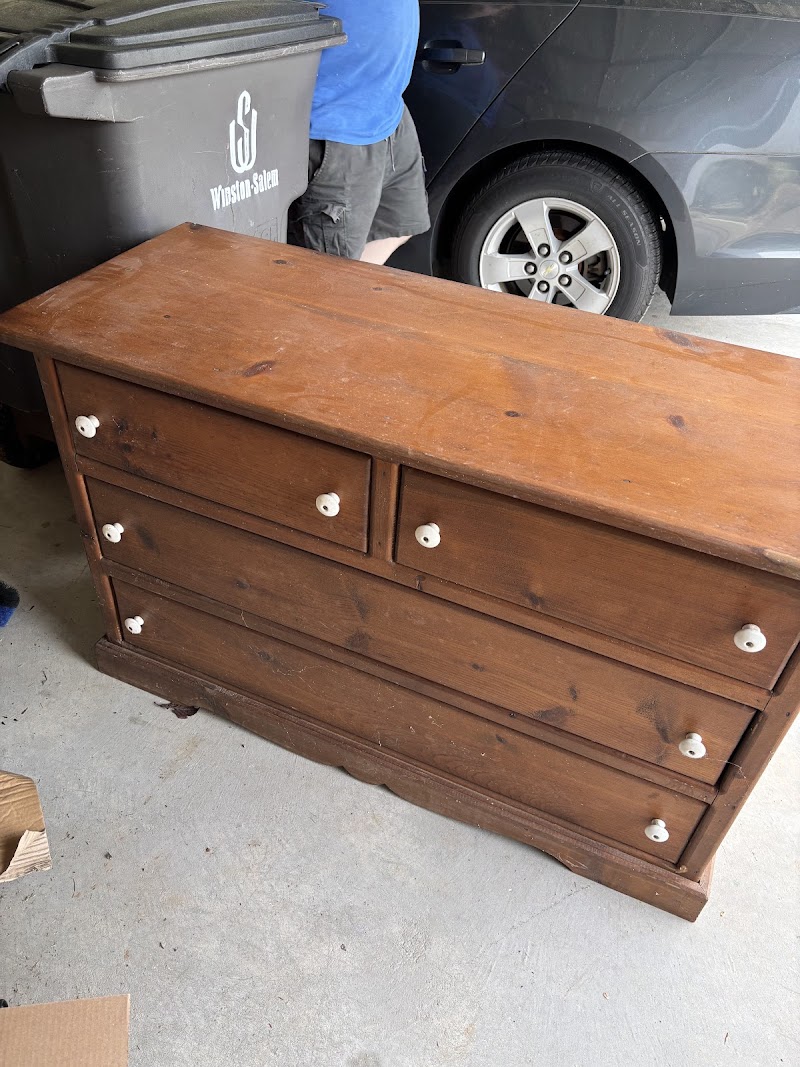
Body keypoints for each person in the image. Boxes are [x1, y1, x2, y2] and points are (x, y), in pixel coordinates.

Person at [288, 1, 429, 265]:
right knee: (332, 270)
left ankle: (350, 284)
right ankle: (339, 287)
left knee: (399, 225)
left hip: (388, 108)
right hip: (338, 124)